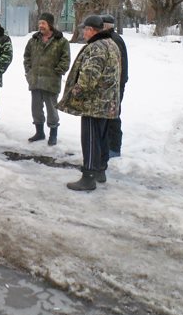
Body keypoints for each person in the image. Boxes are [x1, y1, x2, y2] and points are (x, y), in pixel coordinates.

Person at [57, 14, 121, 191]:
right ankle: (100, 171)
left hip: (94, 104)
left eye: (84, 29)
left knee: (90, 140)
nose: (83, 33)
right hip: (107, 103)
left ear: (91, 30)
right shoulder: (111, 44)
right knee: (101, 138)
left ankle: (88, 177)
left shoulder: (97, 47)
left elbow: (90, 75)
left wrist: (76, 92)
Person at [23, 12, 71, 146]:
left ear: (50, 24)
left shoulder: (61, 41)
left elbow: (65, 60)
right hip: (35, 80)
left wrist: (58, 72)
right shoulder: (33, 40)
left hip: (51, 82)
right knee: (36, 109)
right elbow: (27, 56)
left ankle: (53, 134)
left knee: (52, 110)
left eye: (43, 23)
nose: (40, 26)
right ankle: (39, 133)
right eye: (39, 23)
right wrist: (29, 71)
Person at [102, 14, 129, 158]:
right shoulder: (113, 38)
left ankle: (114, 148)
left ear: (106, 26)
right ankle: (109, 145)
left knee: (113, 116)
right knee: (108, 115)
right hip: (114, 84)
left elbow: (117, 66)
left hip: (116, 85)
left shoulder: (114, 40)